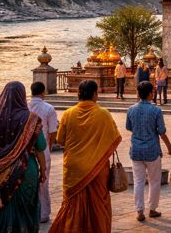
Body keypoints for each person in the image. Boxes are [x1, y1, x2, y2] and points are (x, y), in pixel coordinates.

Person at [50, 80, 121, 233]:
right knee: (98, 205)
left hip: (74, 168)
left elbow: (60, 140)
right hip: (97, 169)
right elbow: (114, 139)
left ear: (79, 94)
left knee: (72, 205)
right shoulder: (104, 114)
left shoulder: (68, 114)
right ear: (95, 94)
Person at [0, 81, 47, 232]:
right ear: (22, 96)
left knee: (2, 209)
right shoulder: (31, 119)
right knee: (26, 210)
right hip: (26, 171)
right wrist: (43, 171)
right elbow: (41, 147)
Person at [126, 81, 171, 222]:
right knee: (154, 181)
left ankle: (139, 211)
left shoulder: (131, 110)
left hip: (136, 150)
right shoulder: (156, 111)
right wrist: (170, 148)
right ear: (149, 94)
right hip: (152, 150)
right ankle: (152, 209)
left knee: (138, 181)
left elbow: (129, 127)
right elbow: (162, 132)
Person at [28, 81, 59, 223]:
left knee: (28, 182)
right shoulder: (48, 108)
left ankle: (29, 212)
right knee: (43, 183)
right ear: (43, 92)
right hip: (43, 148)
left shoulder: (25, 107)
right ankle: (43, 213)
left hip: (26, 151)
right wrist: (49, 146)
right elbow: (53, 132)